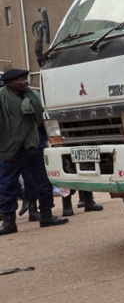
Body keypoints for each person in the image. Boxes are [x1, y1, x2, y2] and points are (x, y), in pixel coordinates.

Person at [1, 69, 70, 235]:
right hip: (11, 147)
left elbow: (40, 118)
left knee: (43, 180)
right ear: (10, 83)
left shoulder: (32, 95)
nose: (25, 82)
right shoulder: (2, 98)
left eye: (25, 79)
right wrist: (7, 148)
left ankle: (46, 215)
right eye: (20, 80)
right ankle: (9, 222)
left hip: (34, 143)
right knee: (7, 184)